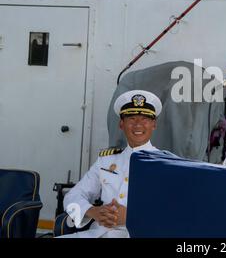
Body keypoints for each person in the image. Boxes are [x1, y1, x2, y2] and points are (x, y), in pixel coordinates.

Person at [60, 90, 164, 238]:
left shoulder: (165, 164)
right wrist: (93, 211)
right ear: (121, 124)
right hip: (99, 233)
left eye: (144, 119)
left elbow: (173, 212)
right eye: (132, 118)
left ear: (154, 124)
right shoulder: (106, 161)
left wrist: (132, 217)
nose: (138, 125)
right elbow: (72, 197)